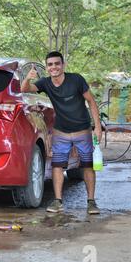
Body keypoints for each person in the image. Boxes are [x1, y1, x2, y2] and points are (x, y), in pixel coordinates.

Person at [21, 51, 102, 214]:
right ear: (47, 67)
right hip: (61, 131)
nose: (54, 67)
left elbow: (91, 101)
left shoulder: (76, 79)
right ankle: (58, 201)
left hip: (82, 129)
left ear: (63, 65)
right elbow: (25, 90)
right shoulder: (45, 82)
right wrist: (29, 77)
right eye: (50, 65)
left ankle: (91, 202)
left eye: (57, 64)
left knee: (87, 165)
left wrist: (97, 127)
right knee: (58, 166)